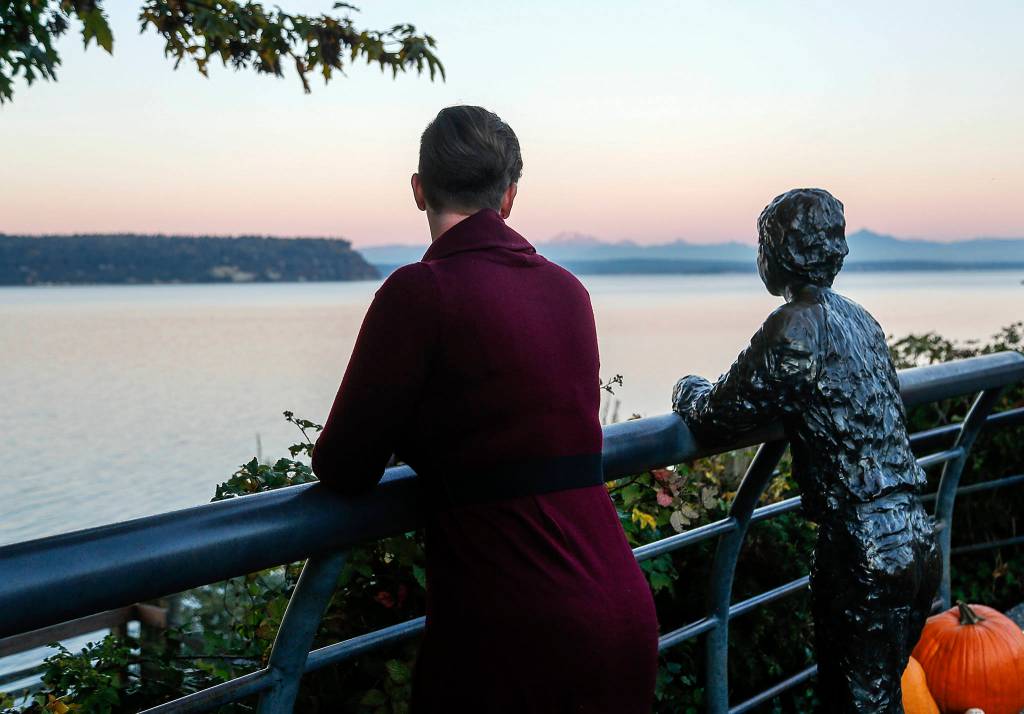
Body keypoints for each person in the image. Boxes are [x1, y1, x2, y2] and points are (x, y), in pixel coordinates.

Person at [311, 105, 659, 713]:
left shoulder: (420, 294)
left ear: (418, 190)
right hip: (620, 611)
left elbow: (344, 466)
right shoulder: (566, 290)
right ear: (510, 196)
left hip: (512, 632)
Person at [672, 188, 940, 713]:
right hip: (914, 532)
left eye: (762, 244)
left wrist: (686, 388)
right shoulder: (861, 319)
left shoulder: (794, 326)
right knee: (881, 696)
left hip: (863, 545)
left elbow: (718, 416)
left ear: (779, 251)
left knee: (858, 702)